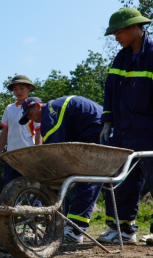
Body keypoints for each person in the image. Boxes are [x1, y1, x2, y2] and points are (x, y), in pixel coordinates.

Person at [98, 8, 153, 247]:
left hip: (151, 131)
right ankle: (122, 229)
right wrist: (107, 122)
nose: (116, 36)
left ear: (135, 27)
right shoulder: (120, 58)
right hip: (124, 131)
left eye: (119, 31)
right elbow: (110, 92)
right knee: (121, 181)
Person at [19, 95, 104, 244]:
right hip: (91, 125)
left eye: (31, 115)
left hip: (94, 125)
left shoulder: (50, 112)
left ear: (38, 106)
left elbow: (53, 150)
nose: (33, 120)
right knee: (83, 177)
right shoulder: (56, 111)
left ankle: (75, 229)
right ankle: (117, 228)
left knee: (88, 176)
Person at [0, 75, 42, 187]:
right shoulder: (9, 108)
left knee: (32, 187)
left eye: (22, 88)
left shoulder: (33, 107)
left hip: (28, 153)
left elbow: (39, 130)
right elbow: (5, 131)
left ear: (29, 88)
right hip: (11, 155)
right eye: (15, 89)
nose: (18, 91)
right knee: (10, 188)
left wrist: (38, 151)